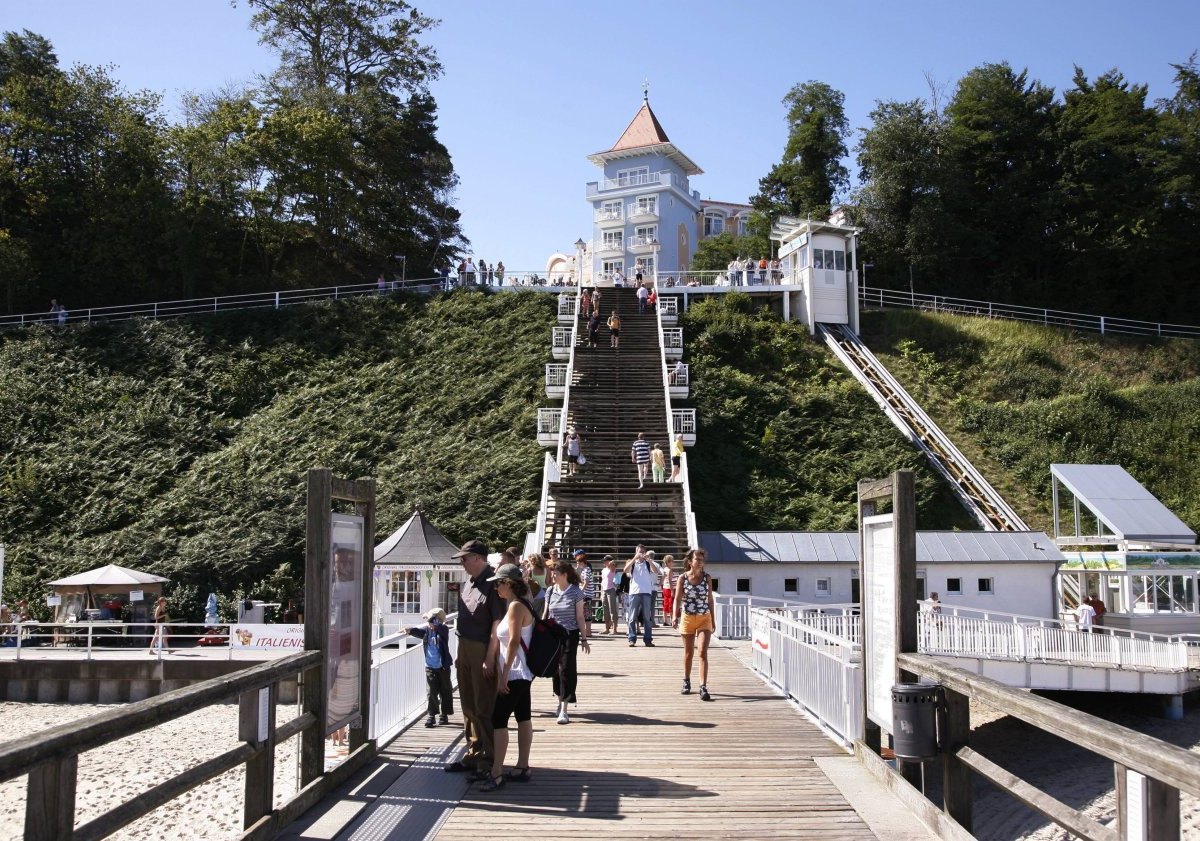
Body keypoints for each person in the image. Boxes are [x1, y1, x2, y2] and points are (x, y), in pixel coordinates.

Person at [444, 539, 505, 778]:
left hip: (482, 648)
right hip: (465, 647)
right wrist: (460, 655)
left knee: (484, 706)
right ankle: (473, 752)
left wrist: (490, 657)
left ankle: (488, 759)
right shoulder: (468, 583)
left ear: (479, 558)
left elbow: (497, 624)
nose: (462, 563)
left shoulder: (493, 584)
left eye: (465, 558)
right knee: (468, 705)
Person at [481, 563, 535, 791]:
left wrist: (503, 676)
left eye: (498, 584)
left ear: (508, 584)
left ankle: (496, 773)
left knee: (498, 719)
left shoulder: (514, 607)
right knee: (523, 716)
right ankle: (522, 766)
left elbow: (513, 642)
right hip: (524, 672)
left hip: (514, 673)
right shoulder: (523, 603)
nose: (496, 589)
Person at [545, 560, 590, 724]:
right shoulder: (550, 591)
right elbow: (546, 614)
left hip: (570, 634)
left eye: (555, 574)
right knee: (555, 670)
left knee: (566, 669)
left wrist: (584, 639)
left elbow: (580, 617)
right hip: (552, 635)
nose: (553, 576)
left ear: (564, 575)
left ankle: (564, 709)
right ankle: (559, 700)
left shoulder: (576, 592)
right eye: (552, 573)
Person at [673, 548, 715, 700]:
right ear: (690, 561)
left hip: (704, 618)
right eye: (697, 559)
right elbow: (677, 598)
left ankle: (703, 686)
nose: (700, 562)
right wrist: (674, 615)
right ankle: (686, 680)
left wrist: (713, 619)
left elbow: (710, 599)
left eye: (702, 560)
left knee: (702, 652)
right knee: (688, 653)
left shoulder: (707, 578)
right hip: (688, 618)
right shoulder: (682, 578)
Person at [410, 608, 454, 727]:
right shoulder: (428, 631)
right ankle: (432, 715)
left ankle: (444, 714)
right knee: (431, 691)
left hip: (443, 666)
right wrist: (409, 631)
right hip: (430, 666)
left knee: (445, 690)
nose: (428, 623)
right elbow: (419, 632)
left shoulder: (443, 630)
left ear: (437, 621)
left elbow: (441, 628)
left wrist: (435, 624)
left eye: (430, 620)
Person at [624, 545, 662, 647]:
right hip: (634, 593)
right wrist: (634, 558)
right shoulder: (632, 563)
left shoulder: (648, 563)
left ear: (645, 552)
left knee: (647, 618)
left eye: (642, 552)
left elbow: (656, 571)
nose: (640, 553)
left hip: (646, 592)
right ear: (636, 552)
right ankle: (632, 639)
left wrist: (649, 560)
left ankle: (648, 639)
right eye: (638, 551)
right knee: (632, 617)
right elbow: (625, 570)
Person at [574, 550, 594, 637]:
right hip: (586, 594)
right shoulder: (584, 569)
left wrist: (581, 592)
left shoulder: (586, 569)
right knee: (585, 613)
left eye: (578, 562)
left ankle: (588, 631)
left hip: (586, 594)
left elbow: (586, 582)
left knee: (586, 613)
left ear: (583, 562)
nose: (577, 563)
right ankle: (587, 631)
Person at [601, 556, 619, 635]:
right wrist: (601, 593)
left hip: (611, 589)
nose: (604, 562)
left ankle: (614, 629)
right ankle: (607, 628)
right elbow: (603, 581)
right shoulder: (603, 570)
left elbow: (614, 566)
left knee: (612, 609)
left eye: (606, 561)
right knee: (605, 610)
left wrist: (611, 562)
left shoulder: (612, 568)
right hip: (604, 589)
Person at [660, 555, 676, 628]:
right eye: (672, 561)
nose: (673, 562)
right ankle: (672, 620)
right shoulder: (669, 570)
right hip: (669, 589)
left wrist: (660, 584)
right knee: (671, 604)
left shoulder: (664, 569)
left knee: (665, 604)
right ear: (669, 562)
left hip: (664, 588)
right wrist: (672, 590)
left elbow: (663, 578)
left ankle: (665, 620)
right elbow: (670, 580)